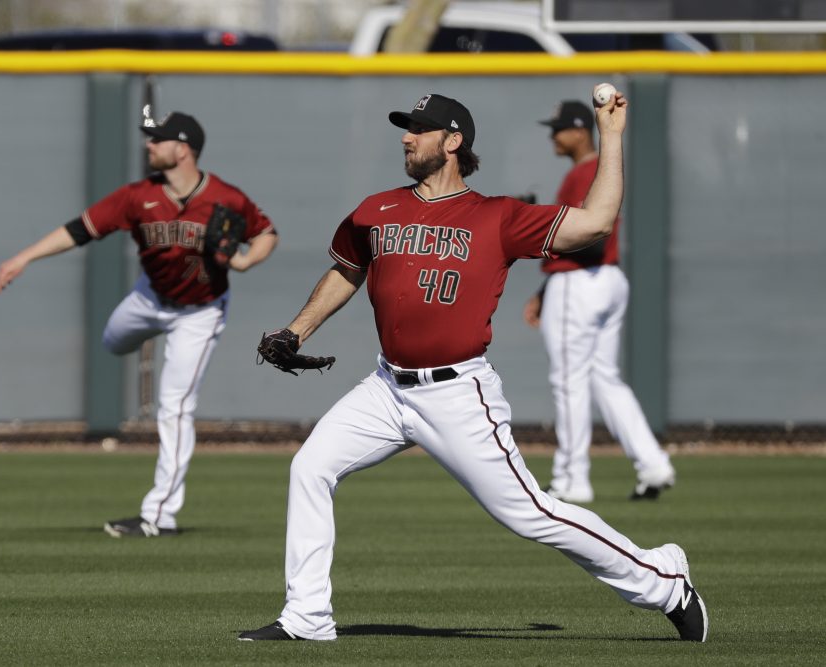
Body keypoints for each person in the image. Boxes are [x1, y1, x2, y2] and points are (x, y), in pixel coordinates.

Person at [238, 93, 707, 642]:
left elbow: (598, 223)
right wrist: (297, 330)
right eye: (406, 128)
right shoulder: (377, 210)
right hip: (387, 388)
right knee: (310, 467)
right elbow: (347, 272)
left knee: (532, 514)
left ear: (454, 141)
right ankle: (307, 618)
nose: (408, 137)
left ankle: (665, 581)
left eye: (420, 128)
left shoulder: (497, 216)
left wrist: (612, 135)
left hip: (458, 393)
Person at [0, 110, 278, 537]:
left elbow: (266, 233)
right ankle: (142, 337)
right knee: (113, 341)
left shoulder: (225, 197)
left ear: (182, 149)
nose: (148, 145)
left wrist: (243, 261)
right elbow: (80, 228)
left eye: (157, 139)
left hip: (200, 312)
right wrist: (24, 257)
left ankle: (159, 515)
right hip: (148, 298)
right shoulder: (136, 197)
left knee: (176, 406)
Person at [523, 100, 676, 504]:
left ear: (578, 130)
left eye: (558, 128)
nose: (553, 136)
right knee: (603, 377)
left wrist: (536, 225)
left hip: (580, 281)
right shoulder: (598, 169)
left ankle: (572, 478)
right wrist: (542, 293)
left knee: (569, 380)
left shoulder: (583, 173)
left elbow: (589, 237)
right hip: (608, 280)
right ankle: (653, 463)